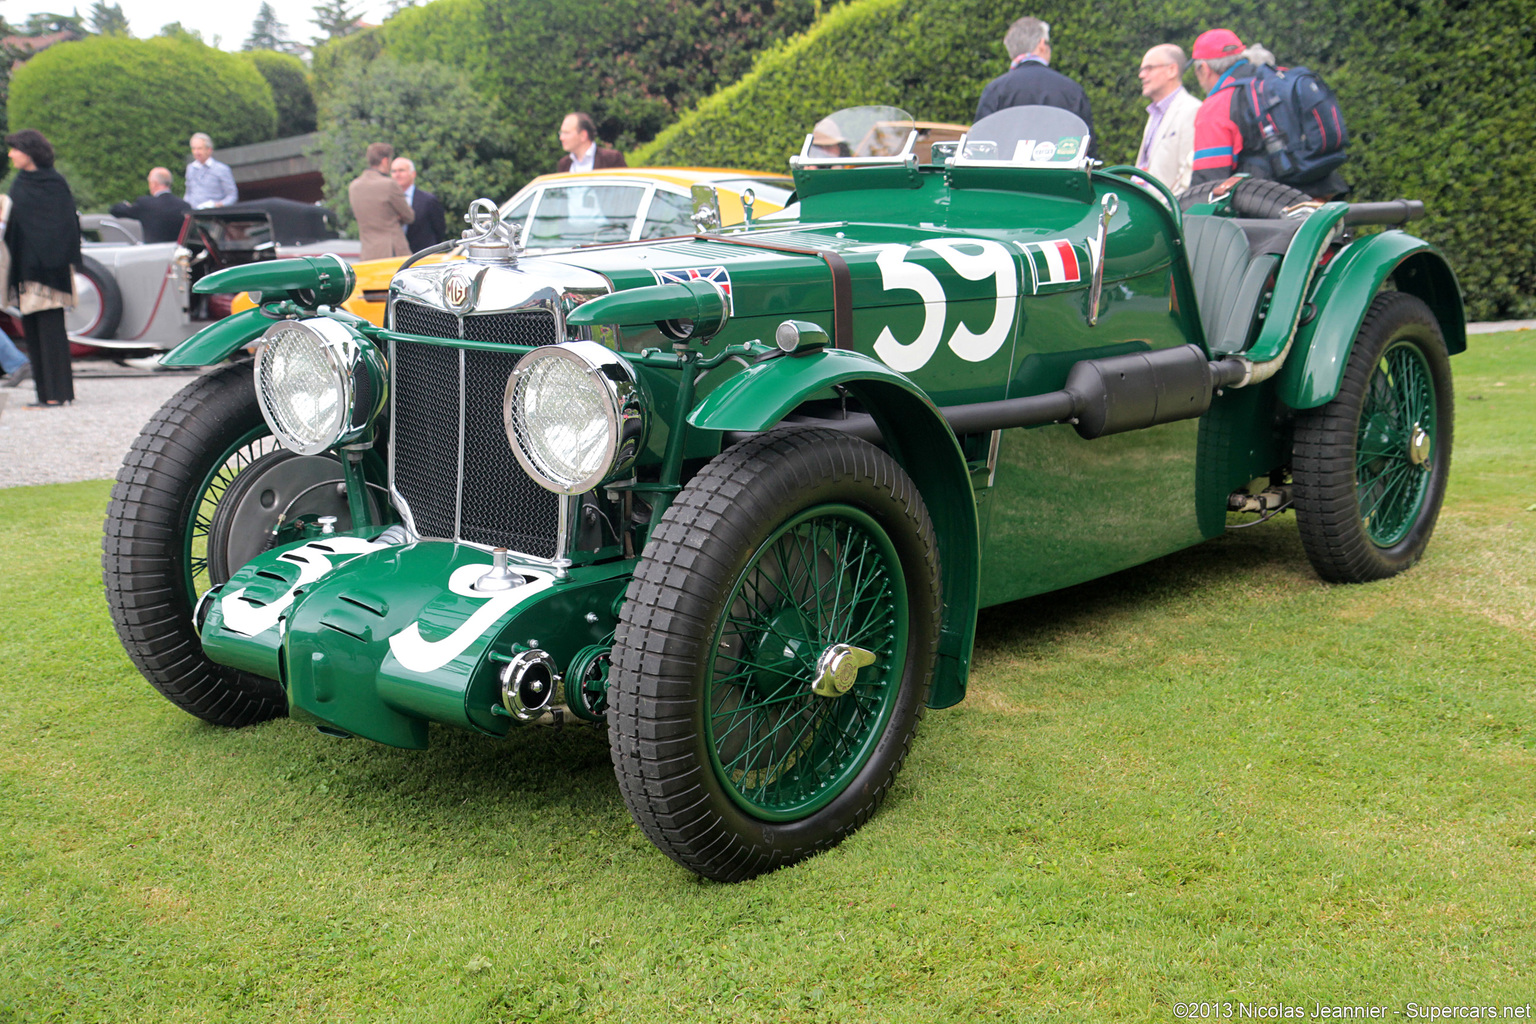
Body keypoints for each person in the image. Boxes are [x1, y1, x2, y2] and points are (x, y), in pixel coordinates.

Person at [4, 129, 80, 407]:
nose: (11, 154)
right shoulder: (20, 183)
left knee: (51, 333)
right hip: (26, 271)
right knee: (33, 333)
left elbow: (65, 227)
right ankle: (45, 393)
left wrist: (49, 258)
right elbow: (15, 226)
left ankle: (58, 394)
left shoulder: (54, 183)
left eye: (15, 149)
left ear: (30, 152)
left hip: (51, 273)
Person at [974, 16, 1095, 154]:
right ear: (1042, 44)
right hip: (1058, 175)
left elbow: (979, 147)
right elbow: (1087, 149)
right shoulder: (1072, 90)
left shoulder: (995, 90)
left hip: (1006, 175)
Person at [1135, 44, 1202, 193]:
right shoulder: (1155, 113)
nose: (1142, 75)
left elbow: (1187, 178)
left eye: (1149, 68)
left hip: (1168, 211)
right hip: (1144, 208)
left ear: (1172, 70)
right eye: (1142, 70)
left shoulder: (1192, 110)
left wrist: (1169, 209)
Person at [348, 142, 415, 261]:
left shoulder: (354, 186)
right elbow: (409, 216)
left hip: (368, 253)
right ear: (385, 161)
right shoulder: (389, 184)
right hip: (392, 251)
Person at [109, 167, 192, 244]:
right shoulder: (185, 206)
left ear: (154, 184)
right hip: (177, 253)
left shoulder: (145, 204)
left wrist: (125, 205)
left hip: (153, 253)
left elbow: (116, 210)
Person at [391, 156, 446, 251]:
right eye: (393, 171)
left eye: (401, 170)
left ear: (413, 174)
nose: (397, 174)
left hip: (423, 257)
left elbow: (439, 230)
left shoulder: (428, 200)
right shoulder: (387, 201)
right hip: (394, 257)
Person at [556, 112, 627, 173]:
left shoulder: (611, 159)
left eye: (566, 133)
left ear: (583, 135)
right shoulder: (564, 164)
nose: (561, 138)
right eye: (561, 133)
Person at [184, 132, 238, 209]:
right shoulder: (190, 168)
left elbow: (232, 196)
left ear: (209, 150)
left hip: (214, 215)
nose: (196, 152)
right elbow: (188, 193)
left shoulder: (221, 169)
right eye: (193, 149)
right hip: (194, 215)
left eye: (199, 148)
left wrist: (217, 205)